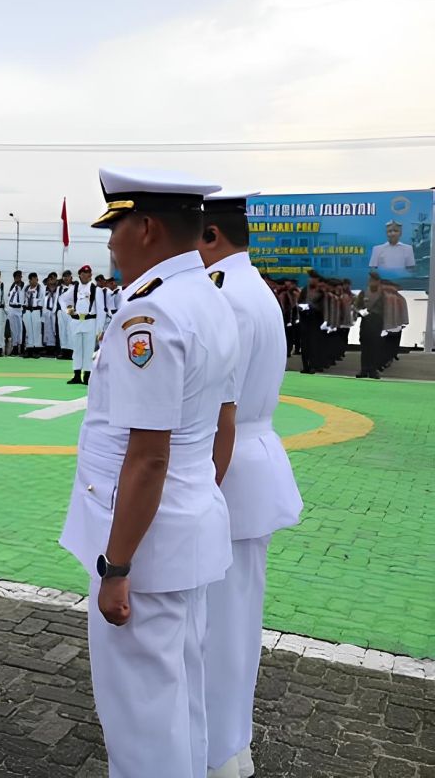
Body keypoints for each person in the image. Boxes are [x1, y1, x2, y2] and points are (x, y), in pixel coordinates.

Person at [59, 167, 238, 778]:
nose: (109, 243)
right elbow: (218, 428)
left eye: (116, 227)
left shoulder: (151, 316)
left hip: (147, 542)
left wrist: (117, 568)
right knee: (179, 696)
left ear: (148, 228)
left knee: (141, 712)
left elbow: (148, 455)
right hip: (186, 526)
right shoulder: (211, 298)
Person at [197, 190, 303, 778]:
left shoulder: (226, 297)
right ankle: (229, 746)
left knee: (222, 625)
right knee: (235, 620)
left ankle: (218, 751)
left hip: (228, 470)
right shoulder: (250, 286)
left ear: (211, 235)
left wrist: (202, 491)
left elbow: (222, 414)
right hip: (249, 463)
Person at [59, 265, 106, 385]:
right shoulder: (74, 288)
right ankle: (76, 375)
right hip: (76, 321)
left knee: (89, 350)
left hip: (90, 322)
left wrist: (99, 329)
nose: (86, 276)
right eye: (84, 274)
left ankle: (87, 375)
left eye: (89, 274)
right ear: (79, 275)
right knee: (77, 350)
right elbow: (62, 299)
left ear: (91, 275)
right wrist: (69, 311)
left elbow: (101, 310)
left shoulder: (96, 289)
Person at [22, 272, 44, 358]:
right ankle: (29, 348)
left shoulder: (40, 289)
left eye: (37, 279)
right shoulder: (26, 288)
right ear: (30, 280)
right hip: (27, 310)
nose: (36, 281)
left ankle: (37, 349)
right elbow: (21, 298)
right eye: (34, 279)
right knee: (29, 330)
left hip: (36, 310)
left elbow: (43, 300)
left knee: (36, 330)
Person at [6, 269, 26, 356]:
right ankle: (14, 347)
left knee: (20, 329)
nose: (19, 278)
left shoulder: (24, 286)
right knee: (14, 330)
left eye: (20, 276)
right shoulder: (12, 286)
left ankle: (21, 347)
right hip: (12, 309)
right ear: (14, 278)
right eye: (17, 277)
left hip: (20, 309)